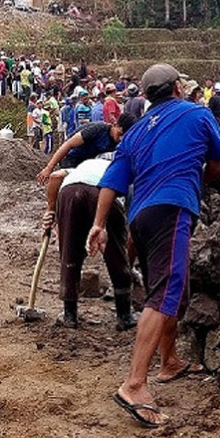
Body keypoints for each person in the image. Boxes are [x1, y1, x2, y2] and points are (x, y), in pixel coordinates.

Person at [89, 64, 220, 428]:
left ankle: (169, 361)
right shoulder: (198, 114)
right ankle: (134, 383)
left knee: (163, 289)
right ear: (179, 88)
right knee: (166, 291)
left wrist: (99, 224)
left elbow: (111, 182)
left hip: (140, 217)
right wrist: (193, 177)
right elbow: (215, 166)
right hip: (173, 208)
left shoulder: (133, 136)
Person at [40, 116, 141, 330]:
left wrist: (50, 210)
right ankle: (124, 315)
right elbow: (130, 225)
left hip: (70, 191)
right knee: (116, 252)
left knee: (70, 250)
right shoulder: (124, 165)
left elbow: (56, 177)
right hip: (104, 193)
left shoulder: (85, 165)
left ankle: (70, 315)